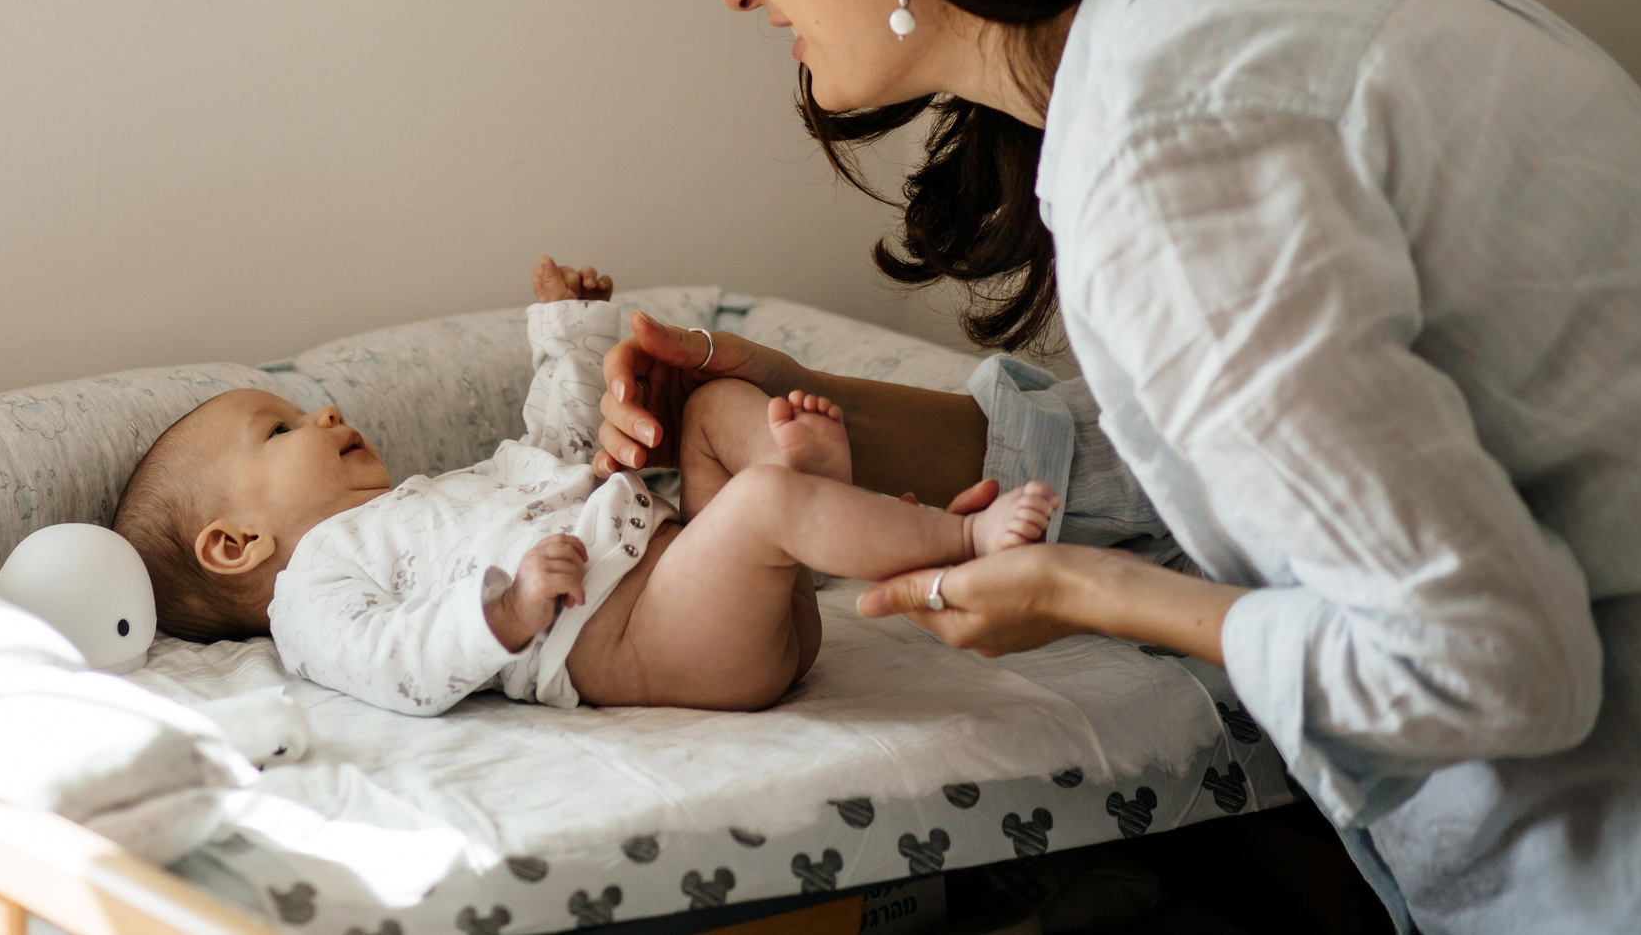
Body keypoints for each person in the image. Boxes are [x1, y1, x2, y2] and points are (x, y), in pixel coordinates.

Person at [592, 0, 1641, 935]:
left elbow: (1499, 668)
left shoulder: (1174, 134)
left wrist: (1089, 593)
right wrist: (821, 401)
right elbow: (1245, 456)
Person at [110, 255, 1054, 716]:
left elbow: (565, 447)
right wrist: (509, 611)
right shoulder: (313, 591)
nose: (321, 416)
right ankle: (959, 542)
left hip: (698, 574)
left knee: (723, 404)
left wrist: (568, 328)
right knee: (764, 507)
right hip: (647, 639)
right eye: (279, 428)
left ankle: (816, 501)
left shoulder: (437, 495)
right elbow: (396, 663)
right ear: (236, 542)